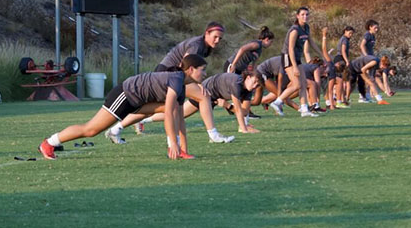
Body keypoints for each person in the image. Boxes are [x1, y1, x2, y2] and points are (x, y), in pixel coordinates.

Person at [41, 54, 208, 160]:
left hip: (137, 100)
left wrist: (183, 149)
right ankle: (49, 143)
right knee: (91, 130)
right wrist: (172, 142)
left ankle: (178, 150)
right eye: (203, 70)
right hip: (125, 95)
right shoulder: (176, 80)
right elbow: (170, 115)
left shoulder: (181, 86)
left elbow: (178, 118)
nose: (205, 74)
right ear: (191, 69)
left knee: (175, 112)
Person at [130, 70, 262, 138]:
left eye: (258, 85)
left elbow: (244, 112)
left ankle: (144, 120)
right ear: (248, 77)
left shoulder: (248, 90)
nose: (255, 86)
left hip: (214, 96)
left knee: (180, 115)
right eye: (254, 81)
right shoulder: (237, 83)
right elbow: (239, 111)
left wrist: (227, 106)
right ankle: (142, 119)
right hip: (206, 90)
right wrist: (244, 129)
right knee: (177, 112)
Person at [270, 7, 325, 117]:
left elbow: (312, 43)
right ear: (297, 16)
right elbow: (290, 48)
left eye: (307, 14)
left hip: (297, 57)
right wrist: (294, 66)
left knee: (303, 83)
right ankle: (277, 102)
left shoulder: (306, 28)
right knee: (297, 84)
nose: (305, 16)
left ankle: (304, 110)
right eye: (303, 14)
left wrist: (322, 54)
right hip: (288, 57)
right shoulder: (295, 30)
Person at [155, 22, 224, 72]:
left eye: (220, 38)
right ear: (207, 33)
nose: (217, 40)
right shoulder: (196, 46)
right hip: (165, 71)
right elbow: (184, 66)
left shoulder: (206, 46)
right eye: (215, 37)